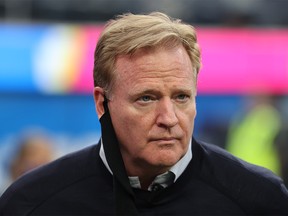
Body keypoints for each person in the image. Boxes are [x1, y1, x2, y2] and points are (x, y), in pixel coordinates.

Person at [0, 12, 288, 215]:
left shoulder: (261, 199)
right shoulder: (31, 203)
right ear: (102, 103)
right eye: (146, 98)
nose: (169, 118)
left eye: (181, 97)